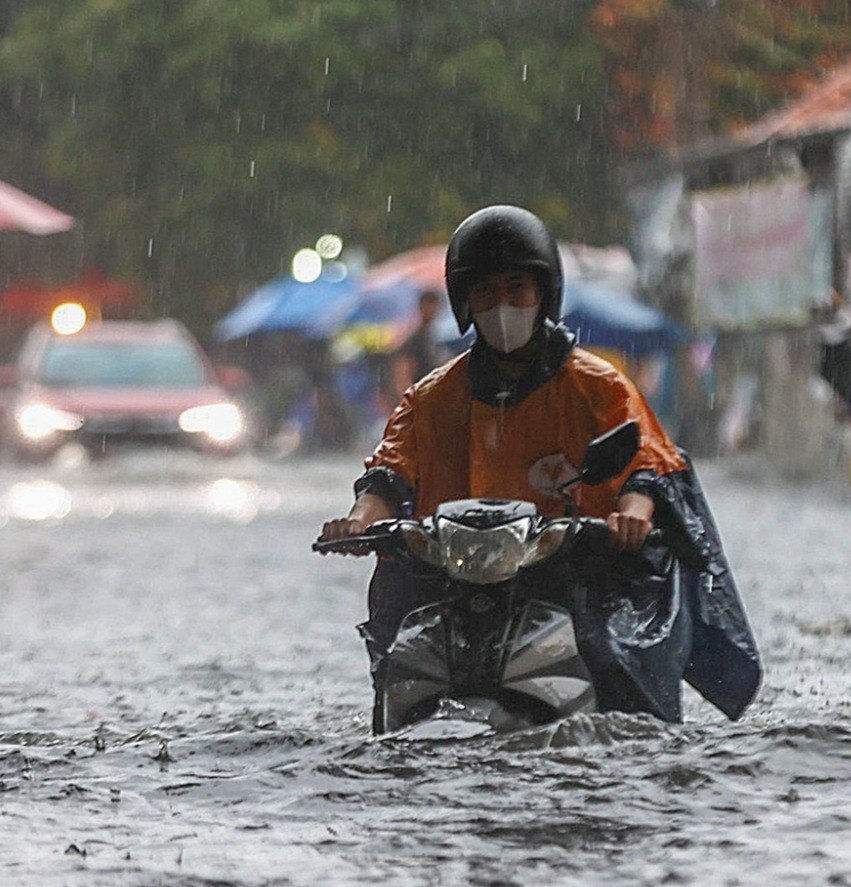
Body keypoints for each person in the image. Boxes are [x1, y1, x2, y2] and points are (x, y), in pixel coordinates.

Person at [318, 205, 759, 723]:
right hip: (453, 579)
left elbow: (646, 464)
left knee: (612, 661)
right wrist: (359, 519)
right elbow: (388, 474)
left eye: (516, 291)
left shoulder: (600, 387)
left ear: (543, 294)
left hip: (575, 575)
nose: (502, 307)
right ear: (464, 301)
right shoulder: (431, 398)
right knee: (396, 649)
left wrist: (632, 515)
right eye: (485, 293)